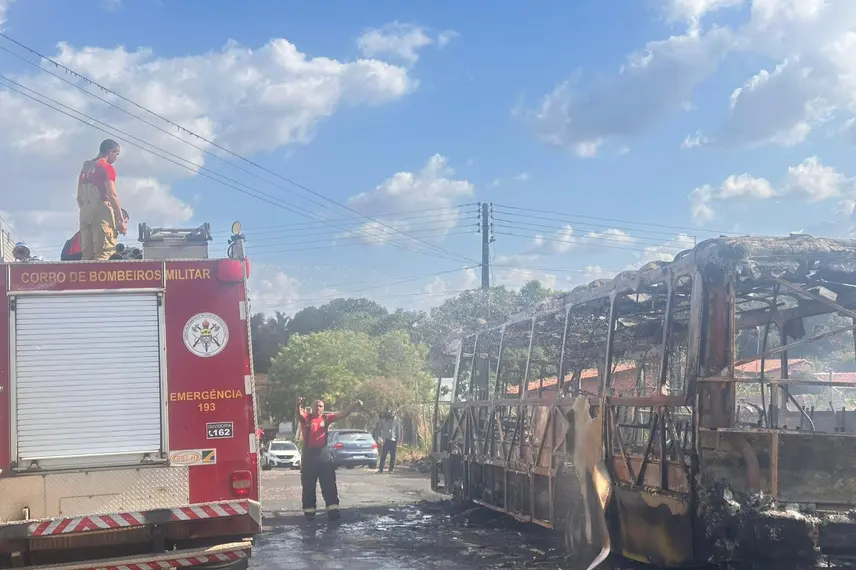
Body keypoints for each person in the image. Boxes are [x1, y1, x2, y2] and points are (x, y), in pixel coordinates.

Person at [296, 397, 363, 521]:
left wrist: (354, 406)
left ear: (323, 408)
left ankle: (333, 510)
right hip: (309, 457)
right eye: (316, 406)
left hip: (324, 456)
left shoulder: (326, 418)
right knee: (308, 485)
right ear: (312, 407)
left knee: (329, 484)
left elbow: (343, 414)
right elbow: (299, 413)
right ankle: (309, 512)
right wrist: (298, 404)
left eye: (321, 406)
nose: (318, 408)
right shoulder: (306, 417)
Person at [77, 139, 126, 261]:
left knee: (87, 255)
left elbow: (79, 196)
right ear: (110, 152)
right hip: (101, 212)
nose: (116, 158)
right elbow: (112, 195)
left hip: (84, 212)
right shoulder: (106, 167)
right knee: (104, 253)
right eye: (116, 154)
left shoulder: (85, 168)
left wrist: (86, 210)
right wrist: (120, 220)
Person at [62, 209, 129, 261]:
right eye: (125, 222)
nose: (126, 226)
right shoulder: (102, 228)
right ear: (118, 220)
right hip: (74, 256)